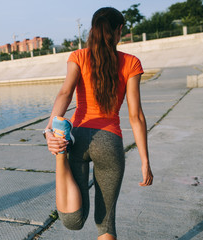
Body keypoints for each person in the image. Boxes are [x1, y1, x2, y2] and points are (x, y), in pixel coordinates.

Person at [43, 7, 153, 240]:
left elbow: (65, 92)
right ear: (119, 29)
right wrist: (145, 161)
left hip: (79, 138)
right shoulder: (131, 63)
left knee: (73, 221)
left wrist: (50, 129)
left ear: (92, 29)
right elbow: (136, 116)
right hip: (110, 142)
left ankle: (60, 155)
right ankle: (62, 154)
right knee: (105, 224)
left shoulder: (78, 57)